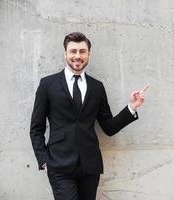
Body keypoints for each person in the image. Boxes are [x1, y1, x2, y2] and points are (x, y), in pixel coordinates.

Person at [29, 32, 148, 200]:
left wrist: (131, 107)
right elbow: (36, 128)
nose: (78, 56)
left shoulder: (97, 87)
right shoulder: (48, 84)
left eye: (82, 51)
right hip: (59, 165)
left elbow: (108, 127)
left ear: (88, 54)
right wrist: (44, 160)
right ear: (66, 53)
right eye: (73, 51)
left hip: (90, 166)